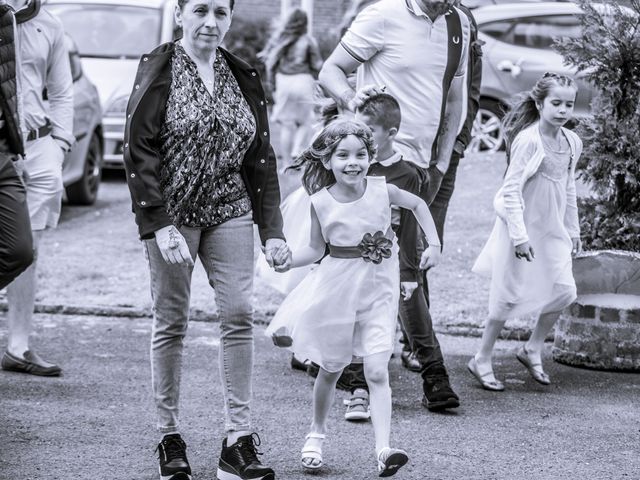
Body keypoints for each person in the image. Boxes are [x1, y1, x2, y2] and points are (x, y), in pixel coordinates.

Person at [122, 1, 290, 479]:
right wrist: (158, 222)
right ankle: (169, 436)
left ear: (231, 18)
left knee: (238, 314)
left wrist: (272, 230)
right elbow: (138, 149)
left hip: (230, 209)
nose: (210, 22)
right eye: (200, 10)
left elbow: (261, 156)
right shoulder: (159, 68)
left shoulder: (242, 73)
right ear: (180, 13)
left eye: (221, 12)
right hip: (173, 217)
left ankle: (237, 442)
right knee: (171, 320)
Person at [265, 118, 442, 477]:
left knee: (377, 371)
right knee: (331, 369)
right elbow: (315, 249)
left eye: (361, 154)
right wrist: (286, 263)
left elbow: (419, 205)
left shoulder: (382, 190)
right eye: (342, 155)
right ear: (327, 161)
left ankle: (383, 449)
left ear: (369, 157)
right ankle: (316, 433)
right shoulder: (320, 202)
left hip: (380, 289)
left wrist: (434, 244)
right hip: (337, 291)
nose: (353, 162)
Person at [318, 0, 471, 411]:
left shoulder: (458, 23)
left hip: (420, 169)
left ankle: (412, 372)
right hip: (367, 169)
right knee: (363, 271)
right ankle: (359, 380)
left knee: (407, 270)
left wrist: (441, 161)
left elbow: (454, 100)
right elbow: (329, 71)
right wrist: (351, 100)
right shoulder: (382, 14)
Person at [469, 72, 583, 391]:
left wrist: (573, 229)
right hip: (520, 226)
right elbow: (510, 191)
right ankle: (482, 357)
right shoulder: (529, 140)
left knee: (564, 290)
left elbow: (569, 186)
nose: (562, 110)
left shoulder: (573, 142)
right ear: (539, 103)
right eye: (556, 103)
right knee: (507, 294)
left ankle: (532, 347)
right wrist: (519, 236)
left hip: (552, 227)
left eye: (569, 105)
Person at [1, 0, 73, 377]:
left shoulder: (49, 24)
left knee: (27, 250)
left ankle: (19, 345)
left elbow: (61, 92)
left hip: (40, 147)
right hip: (2, 148)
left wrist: (59, 145)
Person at [258, 7, 323, 171]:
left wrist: (272, 85)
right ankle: (297, 152)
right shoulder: (308, 41)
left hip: (284, 82)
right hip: (303, 81)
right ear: (305, 23)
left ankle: (286, 163)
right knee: (306, 122)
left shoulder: (280, 40)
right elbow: (317, 65)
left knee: (287, 125)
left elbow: (270, 65)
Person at [0, 2, 34, 291]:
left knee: (18, 251)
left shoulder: (4, 17)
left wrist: (18, 149)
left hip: (3, 150)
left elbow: (13, 87)